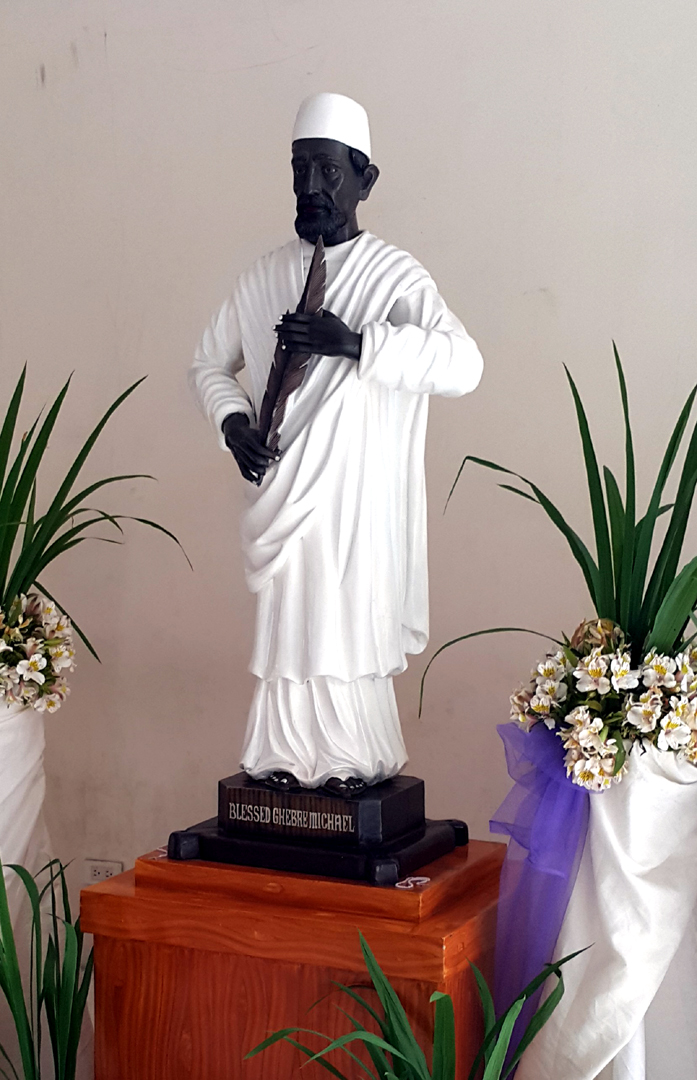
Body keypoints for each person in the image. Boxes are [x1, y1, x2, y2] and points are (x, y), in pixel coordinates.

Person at [190, 92, 483, 795]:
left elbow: (463, 364)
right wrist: (233, 423)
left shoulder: (393, 276)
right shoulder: (263, 276)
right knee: (290, 631)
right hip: (282, 492)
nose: (311, 187)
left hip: (356, 499)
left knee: (345, 625)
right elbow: (207, 365)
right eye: (300, 170)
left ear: (363, 180)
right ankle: (280, 756)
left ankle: (352, 756)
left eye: (327, 171)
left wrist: (356, 344)